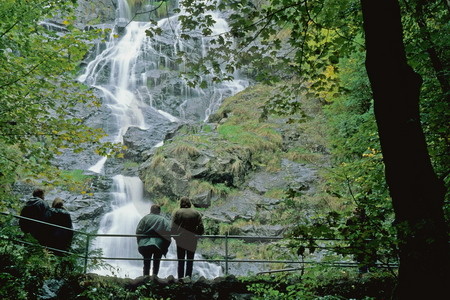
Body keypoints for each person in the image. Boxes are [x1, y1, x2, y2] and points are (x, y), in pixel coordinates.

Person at [171, 197, 204, 278]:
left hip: (181, 239)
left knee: (181, 260)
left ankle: (180, 279)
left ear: (181, 203)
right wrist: (197, 235)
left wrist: (176, 237)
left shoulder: (177, 212)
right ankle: (188, 278)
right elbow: (201, 227)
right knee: (190, 260)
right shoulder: (196, 213)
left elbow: (173, 227)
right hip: (192, 239)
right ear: (189, 203)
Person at [136, 204, 171, 276]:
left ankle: (146, 278)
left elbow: (138, 231)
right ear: (159, 211)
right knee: (156, 262)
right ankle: (155, 277)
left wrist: (140, 243)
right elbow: (168, 232)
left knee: (146, 263)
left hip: (145, 243)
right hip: (158, 244)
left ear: (151, 210)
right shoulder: (163, 220)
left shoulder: (145, 219)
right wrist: (165, 246)